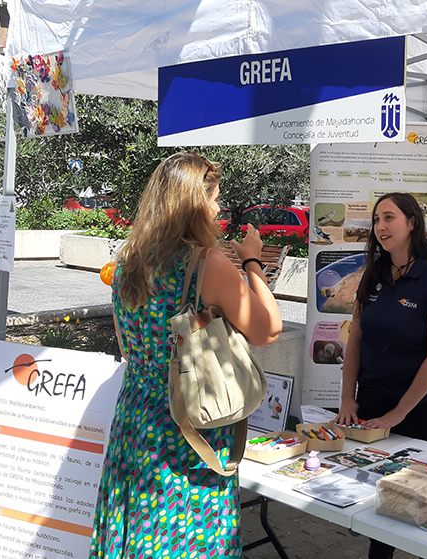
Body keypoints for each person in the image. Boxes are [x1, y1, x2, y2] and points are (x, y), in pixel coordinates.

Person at [90, 152, 282, 558]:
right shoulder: (205, 263)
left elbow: (128, 347)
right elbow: (268, 329)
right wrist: (252, 260)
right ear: (195, 202)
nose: (217, 208)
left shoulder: (127, 263)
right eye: (213, 198)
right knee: (188, 534)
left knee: (137, 526)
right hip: (188, 423)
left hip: (136, 416)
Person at [335, 192, 427, 559]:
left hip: (421, 410)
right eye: (376, 220)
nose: (380, 227)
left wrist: (400, 413)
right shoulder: (371, 276)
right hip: (373, 405)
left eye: (388, 218)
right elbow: (355, 341)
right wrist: (347, 397)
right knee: (382, 503)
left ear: (411, 223)